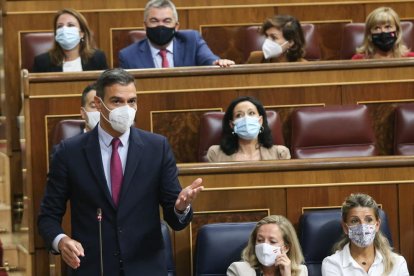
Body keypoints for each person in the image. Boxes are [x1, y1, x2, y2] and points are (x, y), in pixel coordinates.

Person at [37, 68, 204, 275]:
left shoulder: (157, 148)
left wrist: (180, 207)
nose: (126, 108)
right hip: (93, 267)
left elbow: (175, 219)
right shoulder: (69, 152)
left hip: (145, 267)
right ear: (99, 104)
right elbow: (47, 217)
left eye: (131, 101)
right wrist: (61, 241)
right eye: (117, 101)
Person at [119, 0, 234, 69]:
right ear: (144, 26)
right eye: (154, 21)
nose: (160, 26)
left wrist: (217, 62)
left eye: (167, 21)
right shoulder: (128, 56)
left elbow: (209, 59)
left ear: (176, 26)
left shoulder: (192, 41)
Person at [322, 193, 409, 276]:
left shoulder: (397, 263)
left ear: (377, 225)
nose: (362, 226)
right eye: (354, 221)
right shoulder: (332, 264)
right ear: (345, 228)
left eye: (368, 220)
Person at [207, 96, 290, 162]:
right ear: (232, 124)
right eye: (239, 115)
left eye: (251, 113)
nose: (246, 119)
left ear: (260, 121)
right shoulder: (215, 154)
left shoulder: (280, 154)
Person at [227, 215, 308, 276]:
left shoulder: (300, 272)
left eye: (272, 241)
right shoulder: (239, 270)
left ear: (286, 247)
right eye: (260, 240)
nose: (264, 246)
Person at [32, 8, 108, 72]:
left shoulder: (97, 58)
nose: (64, 29)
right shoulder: (42, 62)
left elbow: (105, 86)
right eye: (60, 26)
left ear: (81, 33)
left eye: (70, 25)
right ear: (56, 34)